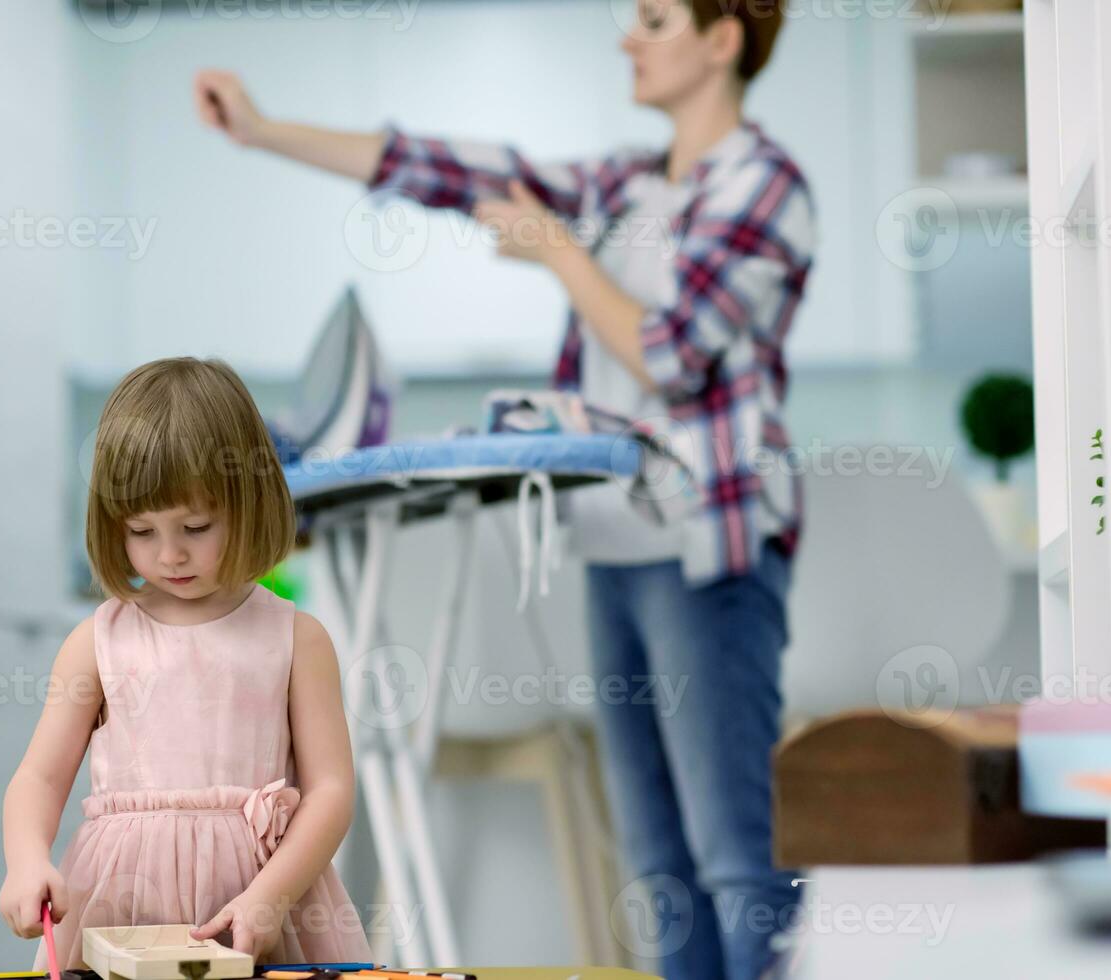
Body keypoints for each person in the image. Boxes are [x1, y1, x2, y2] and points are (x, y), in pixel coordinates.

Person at [195, 1, 813, 976]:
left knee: (735, 857)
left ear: (720, 38)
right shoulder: (622, 184)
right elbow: (449, 169)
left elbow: (670, 355)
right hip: (613, 544)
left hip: (707, 547)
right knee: (655, 859)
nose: (627, 37)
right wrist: (264, 129)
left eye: (653, 18)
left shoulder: (764, 184)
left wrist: (558, 251)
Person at [0, 357, 374, 968]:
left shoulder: (297, 639)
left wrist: (270, 897)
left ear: (249, 501)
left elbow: (331, 789)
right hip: (119, 910)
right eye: (141, 531)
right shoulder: (96, 642)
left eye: (195, 525)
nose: (169, 554)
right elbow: (38, 778)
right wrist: (26, 862)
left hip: (259, 906)